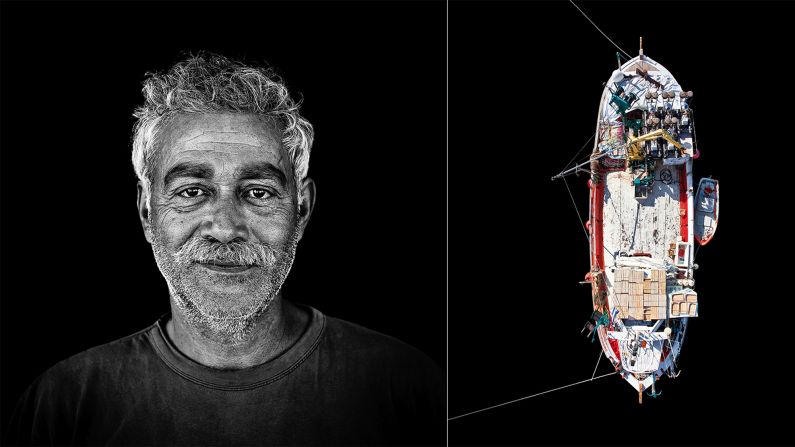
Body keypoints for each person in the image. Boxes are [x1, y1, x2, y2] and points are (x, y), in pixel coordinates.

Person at [6, 52, 444, 446]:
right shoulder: (63, 404)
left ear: (303, 209)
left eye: (258, 192)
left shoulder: (402, 387)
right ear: (146, 212)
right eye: (192, 190)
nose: (224, 228)